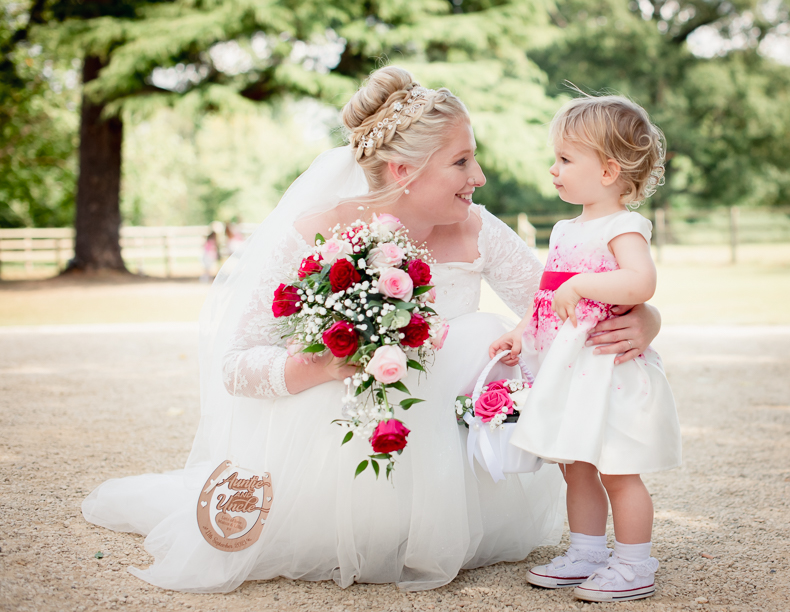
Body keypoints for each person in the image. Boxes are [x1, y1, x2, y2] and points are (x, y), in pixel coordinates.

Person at [81, 66, 664, 594]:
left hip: (457, 482)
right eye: (461, 161)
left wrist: (646, 318)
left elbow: (553, 304)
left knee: (476, 332)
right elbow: (236, 363)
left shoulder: (478, 230)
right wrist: (328, 362)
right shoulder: (317, 236)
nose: (480, 177)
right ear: (403, 170)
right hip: (344, 453)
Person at [490, 95, 682, 603]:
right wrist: (521, 331)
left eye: (565, 159)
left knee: (617, 468)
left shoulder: (623, 227)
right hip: (569, 369)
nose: (553, 169)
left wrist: (583, 286)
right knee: (573, 464)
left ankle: (635, 563)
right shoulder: (564, 229)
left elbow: (641, 282)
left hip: (607, 366)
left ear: (608, 170)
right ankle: (588, 552)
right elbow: (547, 297)